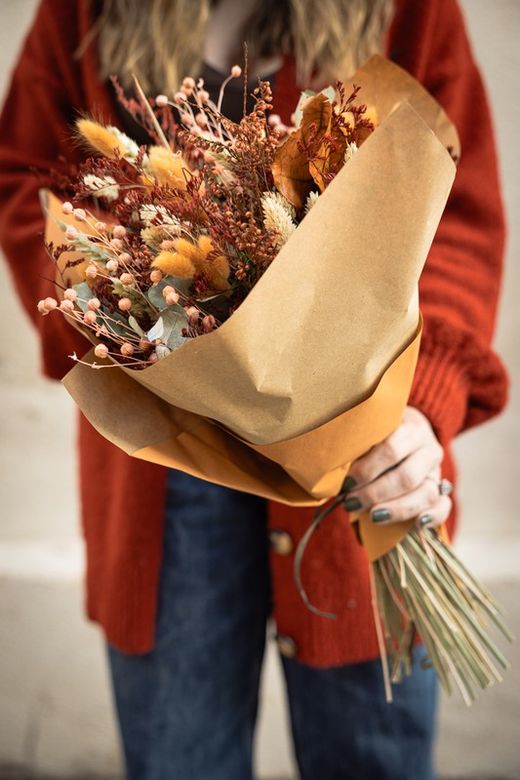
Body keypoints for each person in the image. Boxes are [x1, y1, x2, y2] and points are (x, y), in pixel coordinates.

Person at [0, 0, 508, 778]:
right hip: (164, 470)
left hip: (364, 452)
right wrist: (122, 311)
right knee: (181, 758)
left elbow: (457, 211)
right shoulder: (84, 12)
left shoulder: (407, 10)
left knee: (374, 755)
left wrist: (418, 406)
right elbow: (27, 183)